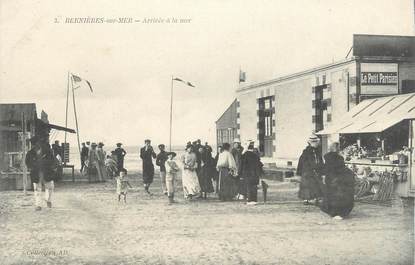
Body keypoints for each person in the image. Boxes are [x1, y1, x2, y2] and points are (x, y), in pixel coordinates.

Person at [320, 142, 355, 220]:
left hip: (330, 178)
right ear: (337, 149)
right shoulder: (339, 158)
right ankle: (337, 213)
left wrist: (324, 176)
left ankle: (332, 211)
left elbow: (326, 168)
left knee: (330, 195)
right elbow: (340, 168)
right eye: (338, 147)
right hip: (337, 179)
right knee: (338, 196)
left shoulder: (327, 157)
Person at [25, 138, 57, 210]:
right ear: (32, 145)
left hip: (47, 172)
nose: (36, 145)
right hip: (36, 173)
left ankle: (48, 200)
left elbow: (53, 161)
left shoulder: (47, 152)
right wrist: (31, 168)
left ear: (40, 144)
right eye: (34, 144)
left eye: (37, 143)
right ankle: (38, 205)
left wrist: (52, 167)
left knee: (50, 188)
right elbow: (27, 162)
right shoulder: (30, 153)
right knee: (37, 189)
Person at [297, 133, 324, 205]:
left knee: (316, 184)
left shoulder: (318, 151)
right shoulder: (306, 151)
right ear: (310, 143)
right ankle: (306, 199)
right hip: (307, 171)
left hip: (316, 170)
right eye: (313, 142)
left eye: (316, 142)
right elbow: (301, 162)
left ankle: (316, 198)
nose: (315, 144)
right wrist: (299, 172)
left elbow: (320, 160)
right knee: (307, 185)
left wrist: (322, 169)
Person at [239, 141, 263, 205]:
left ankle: (249, 200)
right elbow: (260, 165)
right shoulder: (256, 156)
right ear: (252, 149)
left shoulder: (245, 155)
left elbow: (241, 164)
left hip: (247, 174)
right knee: (254, 187)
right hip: (255, 174)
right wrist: (260, 174)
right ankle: (254, 200)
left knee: (248, 187)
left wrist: (240, 174)